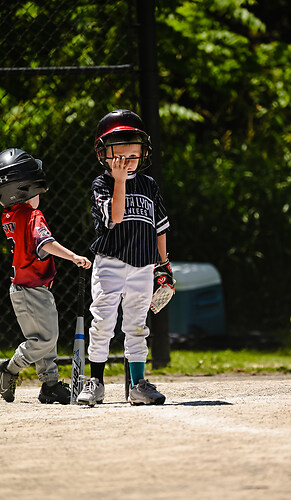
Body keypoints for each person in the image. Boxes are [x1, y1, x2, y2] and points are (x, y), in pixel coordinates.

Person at [77, 109, 173, 406]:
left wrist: (164, 264)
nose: (127, 163)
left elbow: (160, 226)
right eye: (120, 158)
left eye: (133, 156)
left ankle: (137, 384)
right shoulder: (102, 185)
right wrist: (119, 180)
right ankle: (96, 382)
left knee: (136, 324)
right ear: (103, 154)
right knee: (103, 320)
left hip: (143, 264)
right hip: (111, 262)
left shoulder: (149, 185)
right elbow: (115, 216)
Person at [0, 148, 91, 404]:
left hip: (25, 288)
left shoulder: (9, 215)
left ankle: (49, 384)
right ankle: (9, 368)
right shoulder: (32, 215)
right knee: (46, 338)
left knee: (45, 335)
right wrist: (73, 256)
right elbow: (45, 244)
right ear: (25, 189)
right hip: (32, 289)